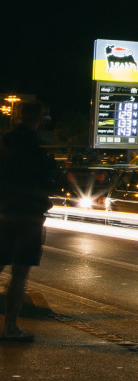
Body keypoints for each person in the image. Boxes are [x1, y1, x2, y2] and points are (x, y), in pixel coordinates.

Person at [0, 102, 58, 341]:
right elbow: (50, 182)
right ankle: (10, 328)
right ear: (39, 119)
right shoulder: (38, 149)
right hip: (29, 216)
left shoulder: (4, 144)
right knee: (20, 274)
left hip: (3, 212)